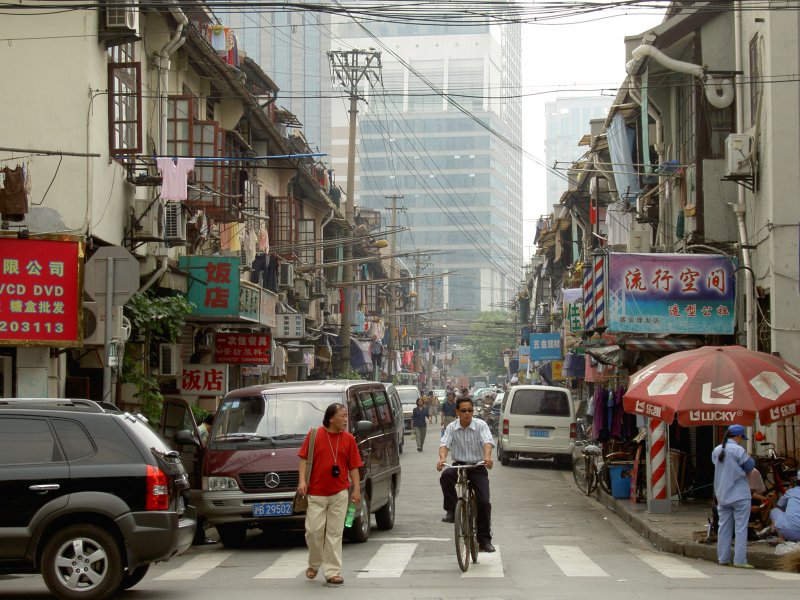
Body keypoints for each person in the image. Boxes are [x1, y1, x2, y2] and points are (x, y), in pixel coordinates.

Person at [297, 403, 363, 585]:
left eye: (346, 415)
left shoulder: (349, 439)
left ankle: (332, 571)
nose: (345, 419)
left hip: (339, 493)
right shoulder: (314, 435)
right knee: (313, 531)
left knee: (335, 533)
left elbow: (354, 467)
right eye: (342, 415)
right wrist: (302, 481)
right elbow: (303, 459)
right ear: (331, 418)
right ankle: (314, 563)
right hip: (316, 493)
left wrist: (356, 489)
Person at [436, 396, 496, 553]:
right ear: (457, 412)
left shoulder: (481, 425)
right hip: (460, 466)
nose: (467, 414)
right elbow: (444, 445)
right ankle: (451, 510)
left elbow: (487, 442)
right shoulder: (451, 428)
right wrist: (442, 459)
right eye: (463, 411)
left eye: (470, 410)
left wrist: (487, 457)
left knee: (484, 502)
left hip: (477, 466)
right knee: (446, 476)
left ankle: (484, 540)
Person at [712, 424, 756, 568]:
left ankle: (723, 559)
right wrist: (751, 459)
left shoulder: (717, 450)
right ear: (737, 437)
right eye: (741, 438)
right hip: (739, 495)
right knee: (741, 528)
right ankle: (740, 561)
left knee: (723, 527)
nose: (741, 440)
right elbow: (749, 467)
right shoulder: (738, 450)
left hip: (722, 495)